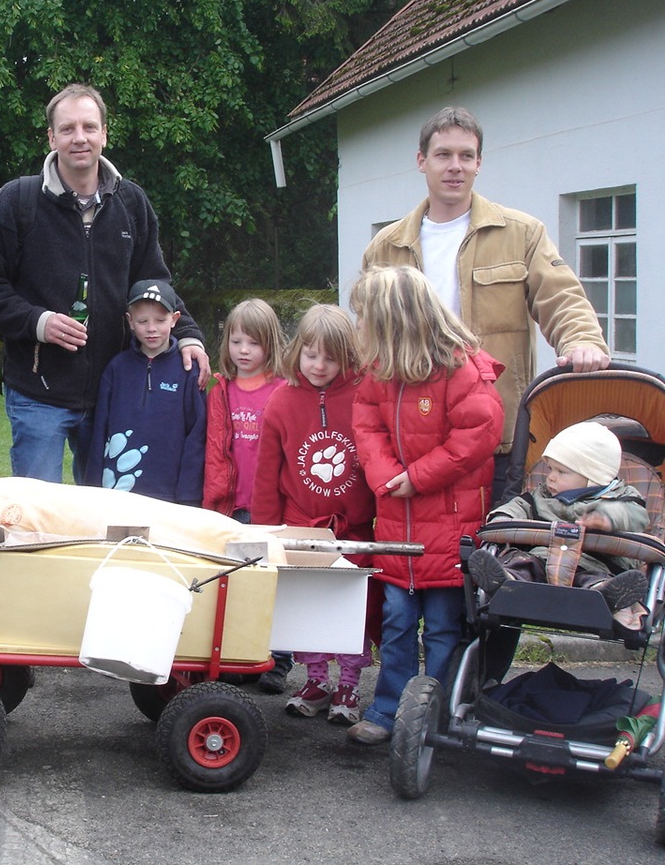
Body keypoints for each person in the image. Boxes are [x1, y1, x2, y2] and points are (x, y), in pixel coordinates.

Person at [0, 83, 209, 484]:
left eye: (89, 127)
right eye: (68, 129)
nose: (79, 138)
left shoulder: (132, 203)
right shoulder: (15, 202)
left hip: (112, 393)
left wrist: (187, 334)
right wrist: (37, 322)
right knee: (37, 518)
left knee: (104, 518)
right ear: (51, 137)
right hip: (36, 393)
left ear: (104, 133)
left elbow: (153, 283)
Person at [360, 105, 610, 496]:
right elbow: (367, 337)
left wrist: (582, 340)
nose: (455, 166)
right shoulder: (386, 246)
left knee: (492, 551)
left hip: (494, 437)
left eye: (466, 156)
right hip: (410, 434)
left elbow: (561, 296)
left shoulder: (521, 233)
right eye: (443, 155)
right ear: (422, 161)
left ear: (479, 163)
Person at [347, 266, 505, 745]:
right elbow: (366, 425)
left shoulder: (461, 368)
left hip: (448, 529)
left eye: (366, 319)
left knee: (441, 626)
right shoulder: (381, 370)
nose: (361, 330)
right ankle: (385, 709)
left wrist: (417, 477)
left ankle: (434, 716)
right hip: (398, 528)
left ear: (394, 320)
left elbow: (479, 435)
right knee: (395, 622)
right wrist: (382, 474)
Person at [251, 304, 377, 724]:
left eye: (330, 356)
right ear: (296, 351)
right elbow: (267, 475)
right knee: (308, 609)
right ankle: (318, 680)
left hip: (352, 530)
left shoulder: (364, 395)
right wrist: (267, 531)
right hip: (300, 527)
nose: (319, 365)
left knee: (350, 609)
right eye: (310, 354)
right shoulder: (281, 402)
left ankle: (349, 685)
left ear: (348, 356)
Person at [200, 297, 291, 692]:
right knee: (235, 586)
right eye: (236, 341)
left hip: (270, 507)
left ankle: (279, 661)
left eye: (253, 343)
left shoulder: (283, 389)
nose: (243, 351)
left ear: (270, 345)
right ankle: (240, 657)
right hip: (231, 507)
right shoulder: (221, 389)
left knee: (275, 585)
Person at [466, 420, 649, 611]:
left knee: (593, 578)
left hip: (594, 562)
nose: (551, 477)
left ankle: (606, 593)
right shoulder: (542, 496)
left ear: (593, 477)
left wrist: (605, 518)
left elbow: (635, 515)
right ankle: (506, 581)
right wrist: (502, 519)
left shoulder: (621, 498)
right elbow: (519, 506)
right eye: (550, 469)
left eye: (562, 472)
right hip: (542, 558)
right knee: (523, 563)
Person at [83, 280, 206, 504]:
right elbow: (99, 429)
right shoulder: (116, 369)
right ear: (130, 321)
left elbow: (197, 436)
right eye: (142, 321)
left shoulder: (188, 371)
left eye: (160, 320)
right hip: (118, 494)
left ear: (175, 320)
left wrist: (189, 495)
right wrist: (92, 488)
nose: (151, 328)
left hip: (169, 494)